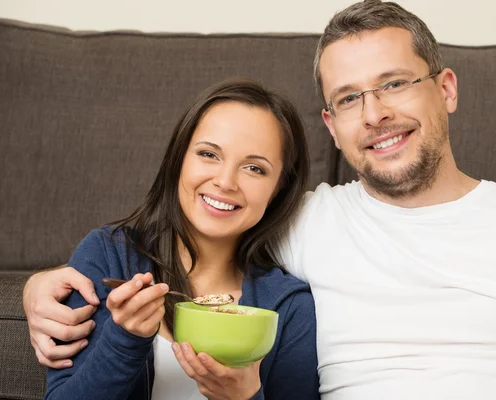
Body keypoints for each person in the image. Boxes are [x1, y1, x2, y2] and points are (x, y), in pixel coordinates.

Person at [23, 1, 496, 399]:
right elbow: (189, 230)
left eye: (394, 83)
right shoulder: (308, 220)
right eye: (349, 98)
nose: (375, 113)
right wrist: (44, 284)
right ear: (331, 126)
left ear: (447, 89)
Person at [40, 78, 319, 400]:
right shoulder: (108, 255)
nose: (225, 181)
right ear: (179, 159)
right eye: (208, 154)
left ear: (279, 188)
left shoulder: (290, 308)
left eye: (254, 168)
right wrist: (125, 339)